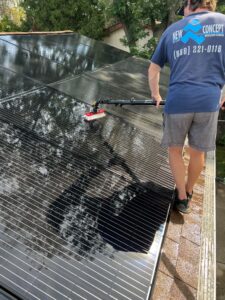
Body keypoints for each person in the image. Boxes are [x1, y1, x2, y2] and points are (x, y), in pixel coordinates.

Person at [148, 0, 225, 213]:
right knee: (198, 153)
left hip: (178, 101)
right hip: (209, 102)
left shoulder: (173, 30)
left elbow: (153, 69)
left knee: (175, 150)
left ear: (190, 4)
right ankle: (190, 190)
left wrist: (155, 94)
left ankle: (181, 197)